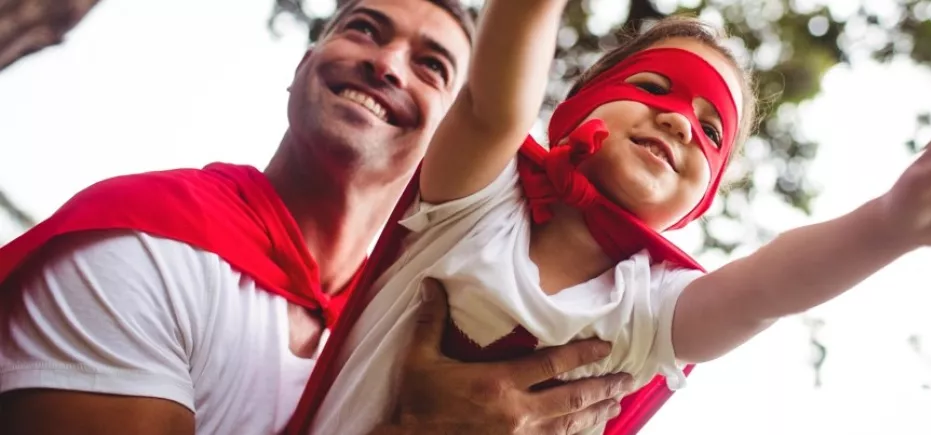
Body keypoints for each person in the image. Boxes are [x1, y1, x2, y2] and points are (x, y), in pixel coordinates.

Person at [289, 2, 931, 435]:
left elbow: (768, 289)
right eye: (654, 88)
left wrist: (892, 222)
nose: (677, 123)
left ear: (700, 199)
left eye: (710, 129)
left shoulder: (653, 308)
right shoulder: (476, 196)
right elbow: (492, 99)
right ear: (578, 108)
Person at [0, 1, 632, 434]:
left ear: (456, 138)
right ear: (302, 67)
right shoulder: (144, 247)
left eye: (432, 66)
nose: (385, 64)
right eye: (362, 29)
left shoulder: (420, 331)